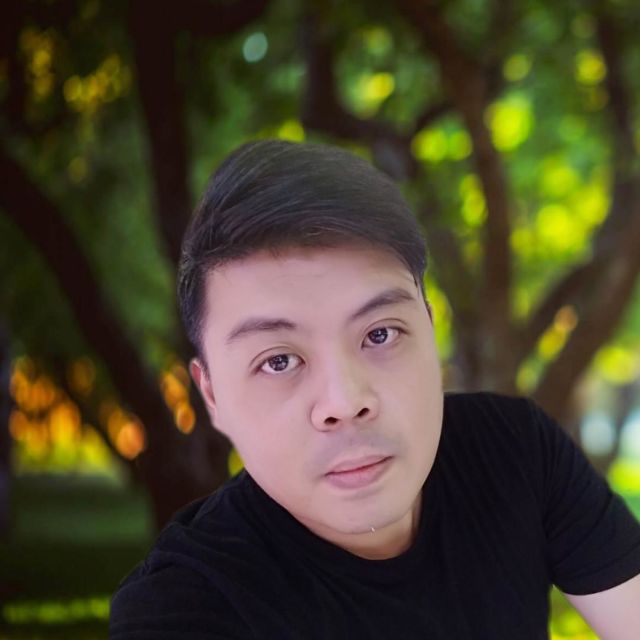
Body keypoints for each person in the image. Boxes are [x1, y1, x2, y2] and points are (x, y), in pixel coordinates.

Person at [109, 140, 640, 639]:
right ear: (212, 396)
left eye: (380, 334)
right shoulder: (184, 607)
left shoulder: (513, 451)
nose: (345, 402)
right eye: (278, 361)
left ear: (429, 329)